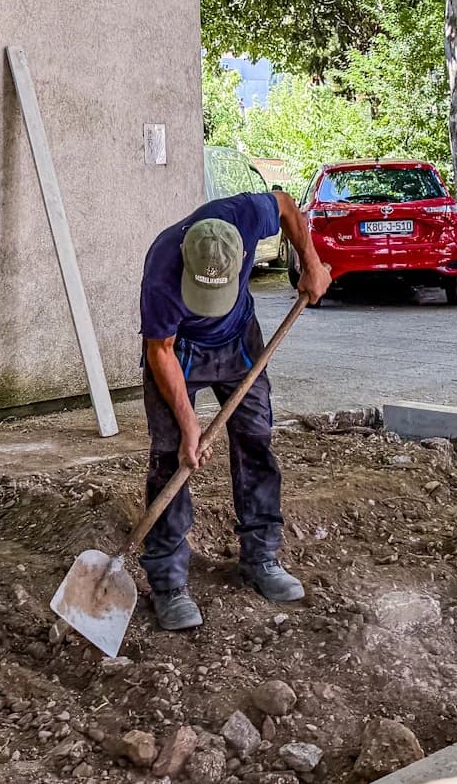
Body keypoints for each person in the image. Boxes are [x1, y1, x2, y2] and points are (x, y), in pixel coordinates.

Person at [138, 189, 331, 630]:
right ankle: (168, 583)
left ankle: (260, 557)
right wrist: (190, 426)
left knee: (255, 439)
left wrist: (311, 263)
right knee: (171, 458)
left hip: (239, 340)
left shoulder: (244, 215)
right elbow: (160, 351)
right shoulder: (162, 271)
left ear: (243, 253)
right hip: (180, 351)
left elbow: (287, 205)